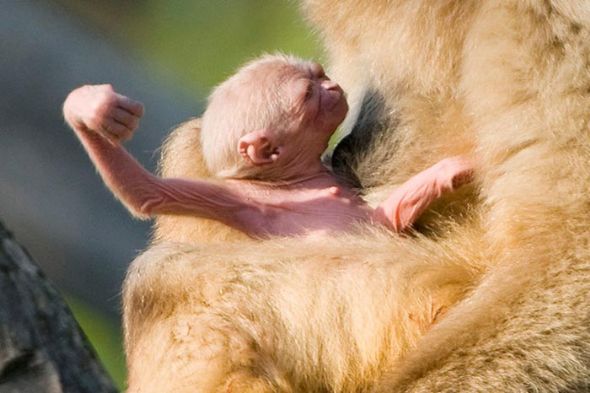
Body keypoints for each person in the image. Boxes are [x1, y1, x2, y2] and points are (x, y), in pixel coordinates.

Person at [63, 54, 473, 238]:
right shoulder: (252, 205)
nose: (330, 86)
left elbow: (375, 225)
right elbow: (146, 196)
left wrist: (438, 178)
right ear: (264, 151)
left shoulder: (326, 178)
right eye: (308, 94)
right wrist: (79, 112)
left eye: (320, 74)